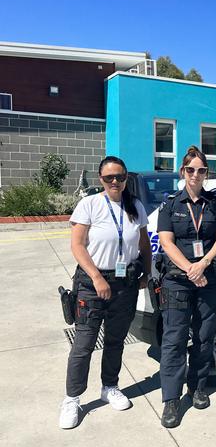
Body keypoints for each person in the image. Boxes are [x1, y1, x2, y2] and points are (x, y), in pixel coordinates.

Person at [59, 156, 151, 429]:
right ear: (101, 179)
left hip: (125, 284)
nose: (115, 182)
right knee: (84, 344)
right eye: (109, 177)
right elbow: (77, 246)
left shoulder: (135, 206)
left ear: (126, 179)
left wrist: (146, 273)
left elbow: (144, 244)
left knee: (115, 340)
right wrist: (97, 277)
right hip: (92, 282)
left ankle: (109, 387)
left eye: (120, 177)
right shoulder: (89, 204)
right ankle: (72, 399)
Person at [157, 145, 216, 428]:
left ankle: (197, 387)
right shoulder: (171, 204)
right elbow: (166, 242)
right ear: (183, 172)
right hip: (178, 280)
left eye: (201, 170)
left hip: (209, 278)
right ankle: (171, 400)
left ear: (206, 173)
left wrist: (204, 263)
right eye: (191, 170)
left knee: (204, 335)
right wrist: (191, 268)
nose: (195, 175)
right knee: (174, 339)